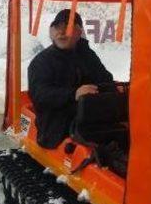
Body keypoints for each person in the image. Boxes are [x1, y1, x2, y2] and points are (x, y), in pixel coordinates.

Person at [28, 9, 114, 149]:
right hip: (56, 126)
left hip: (89, 119)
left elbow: (105, 79)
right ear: (52, 32)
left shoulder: (87, 56)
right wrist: (74, 94)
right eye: (57, 27)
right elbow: (39, 94)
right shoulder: (42, 62)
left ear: (79, 32)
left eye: (67, 27)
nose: (61, 32)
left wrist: (112, 89)